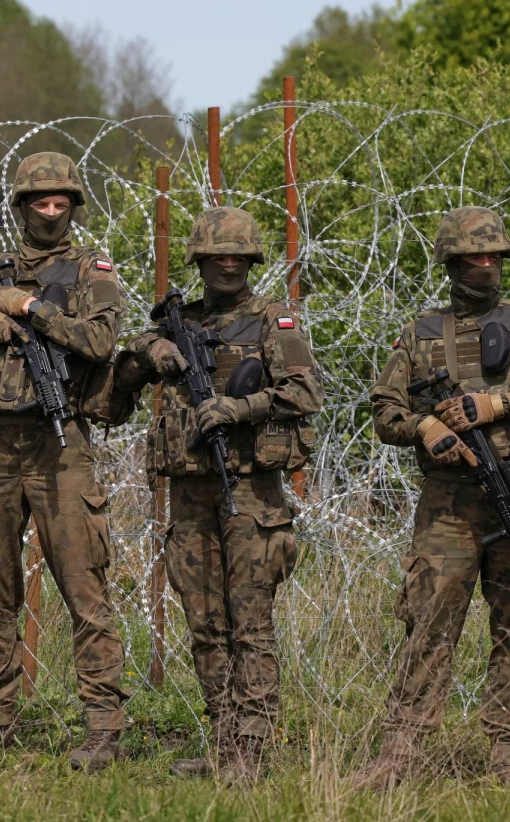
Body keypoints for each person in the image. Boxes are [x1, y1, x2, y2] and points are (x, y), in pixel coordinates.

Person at [357, 206, 510, 788]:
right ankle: (402, 756)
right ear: (452, 263)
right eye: (474, 258)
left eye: (494, 257)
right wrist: (425, 429)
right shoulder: (422, 332)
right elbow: (384, 409)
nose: (486, 267)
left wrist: (498, 406)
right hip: (447, 504)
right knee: (429, 623)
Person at [0, 151, 129, 771]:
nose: (50, 211)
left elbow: (100, 342)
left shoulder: (91, 272)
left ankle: (103, 728)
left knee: (83, 587)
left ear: (73, 205)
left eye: (59, 202)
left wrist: (32, 309)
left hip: (59, 444)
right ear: (20, 207)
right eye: (39, 202)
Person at [114, 206, 323, 782]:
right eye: (216, 257)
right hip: (190, 493)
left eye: (236, 257)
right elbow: (117, 388)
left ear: (250, 261)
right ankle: (224, 741)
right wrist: (146, 352)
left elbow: (304, 392)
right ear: (200, 262)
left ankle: (253, 750)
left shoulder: (270, 322)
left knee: (249, 622)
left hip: (251, 493)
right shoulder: (176, 325)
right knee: (204, 620)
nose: (226, 266)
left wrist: (237, 407)